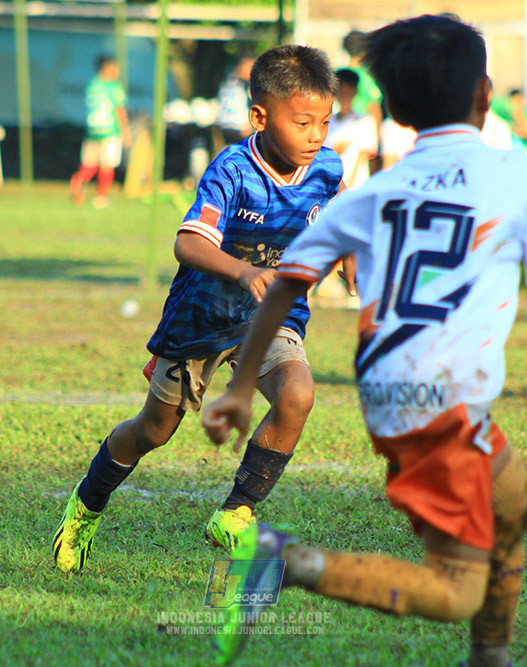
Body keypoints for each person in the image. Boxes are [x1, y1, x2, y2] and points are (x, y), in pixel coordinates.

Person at [201, 15, 527, 667]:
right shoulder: (519, 176)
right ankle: (286, 560)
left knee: (515, 497)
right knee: (454, 588)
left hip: (389, 392)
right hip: (440, 402)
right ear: (485, 94)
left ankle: (490, 657)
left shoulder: (372, 193)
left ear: (401, 112)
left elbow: (285, 287)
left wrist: (242, 389)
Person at [52, 45, 349, 574]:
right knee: (154, 430)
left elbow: (336, 205)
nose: (317, 136)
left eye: (325, 121)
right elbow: (187, 243)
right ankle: (86, 504)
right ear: (260, 116)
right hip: (203, 316)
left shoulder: (324, 166)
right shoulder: (232, 170)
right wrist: (243, 270)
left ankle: (235, 513)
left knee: (297, 394)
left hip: (271, 316)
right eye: (303, 122)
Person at [70, 55, 131, 209]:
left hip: (92, 130)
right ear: (107, 68)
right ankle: (101, 197)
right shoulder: (114, 86)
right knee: (107, 165)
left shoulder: (92, 84)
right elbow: (119, 109)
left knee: (89, 164)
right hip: (110, 130)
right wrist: (125, 131)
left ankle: (79, 180)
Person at [324, 68, 376, 189]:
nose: (344, 95)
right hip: (329, 185)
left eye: (349, 91)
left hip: (354, 185)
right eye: (341, 91)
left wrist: (349, 187)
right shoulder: (327, 121)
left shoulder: (364, 121)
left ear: (355, 92)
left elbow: (363, 155)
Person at [342, 31, 384, 171]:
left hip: (341, 127)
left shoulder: (341, 74)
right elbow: (374, 106)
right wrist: (377, 138)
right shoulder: (366, 77)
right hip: (361, 131)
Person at [217, 54, 255, 146]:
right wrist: (245, 126)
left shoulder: (238, 83)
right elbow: (236, 106)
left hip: (237, 128)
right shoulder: (234, 86)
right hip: (237, 129)